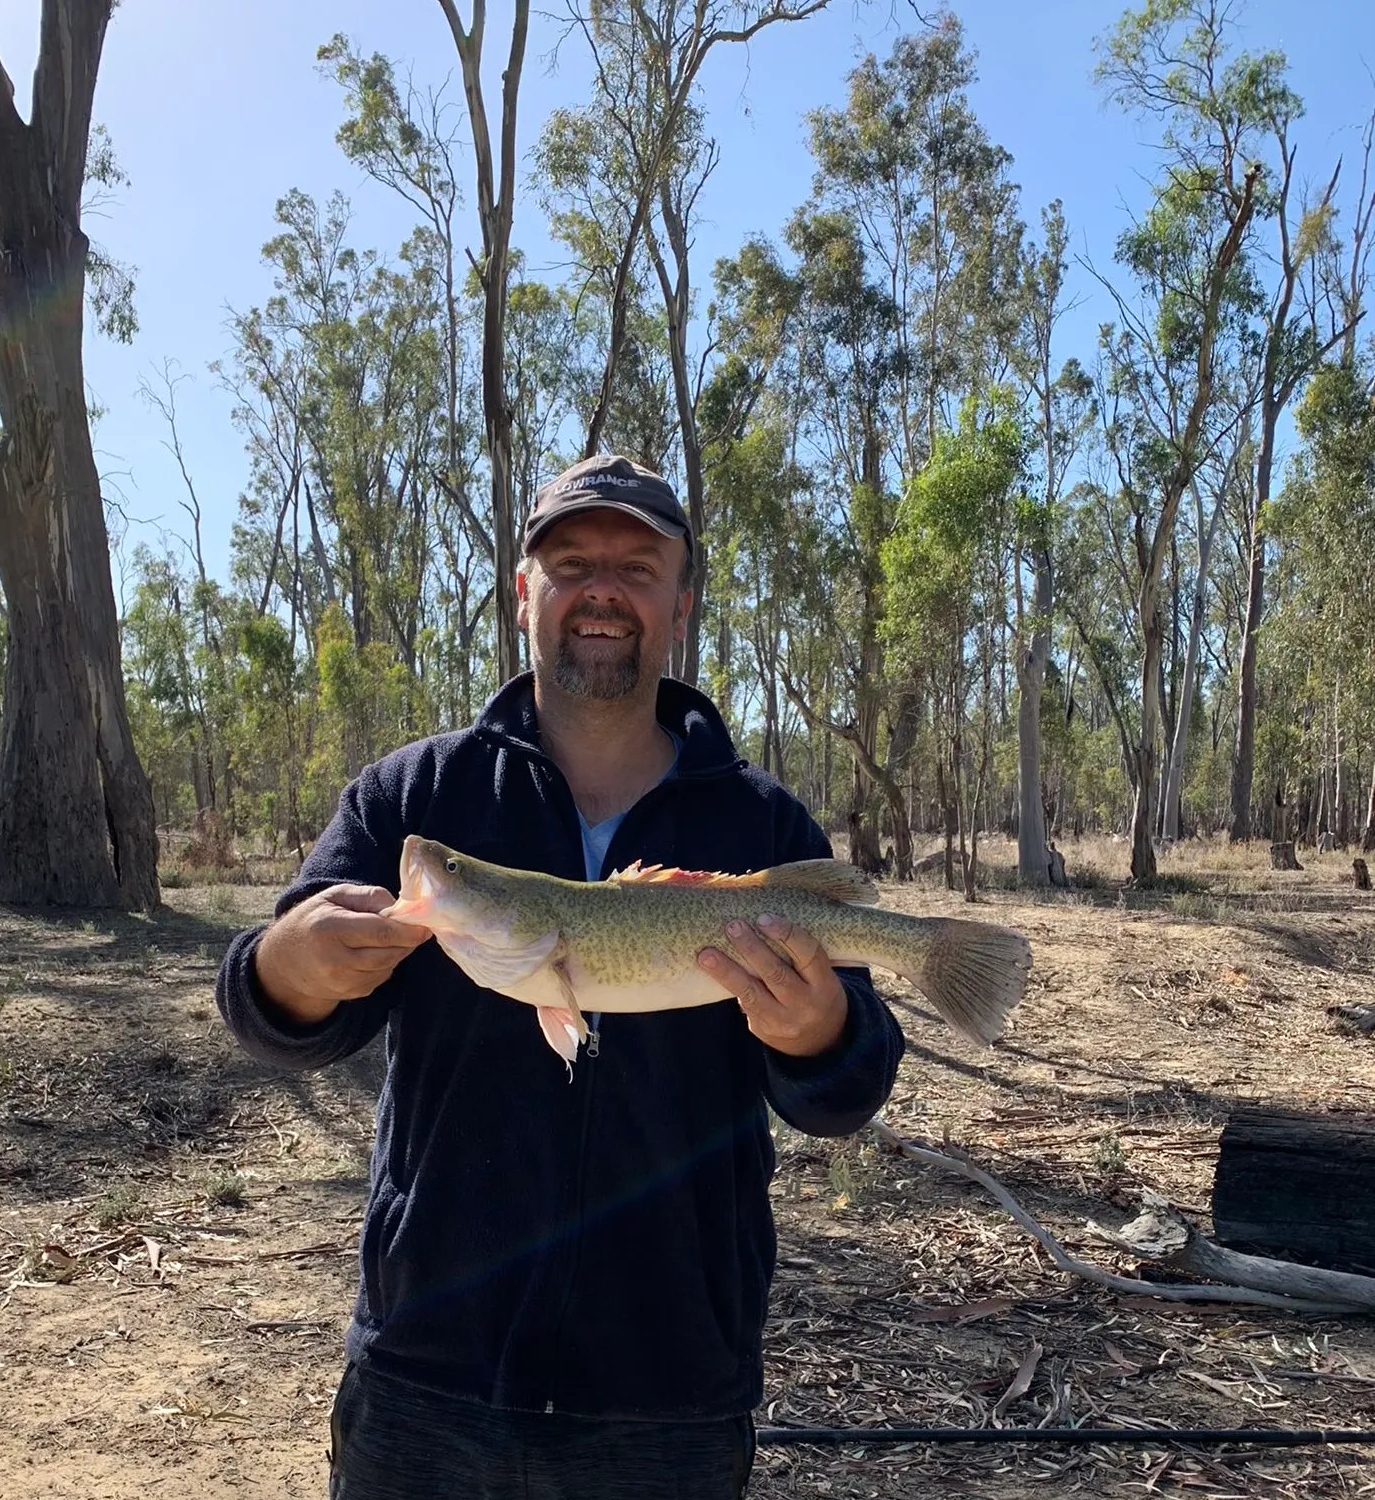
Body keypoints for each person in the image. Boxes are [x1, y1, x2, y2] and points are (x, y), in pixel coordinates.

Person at [215, 455, 905, 1499]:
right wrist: (290, 966)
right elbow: (268, 1015)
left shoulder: (761, 826)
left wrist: (817, 1034)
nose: (602, 589)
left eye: (636, 565)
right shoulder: (415, 796)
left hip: (669, 1394)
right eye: (572, 561)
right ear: (524, 590)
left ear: (681, 599)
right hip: (425, 1377)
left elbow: (849, 1089)